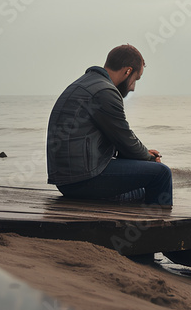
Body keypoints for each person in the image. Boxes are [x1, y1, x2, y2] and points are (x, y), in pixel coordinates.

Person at [46, 44, 171, 207]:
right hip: (83, 180)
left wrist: (144, 154)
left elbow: (120, 142)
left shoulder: (85, 84)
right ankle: (163, 229)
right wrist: (150, 158)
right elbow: (125, 140)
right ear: (127, 71)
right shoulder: (105, 92)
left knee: (142, 190)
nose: (133, 87)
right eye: (136, 79)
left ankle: (142, 225)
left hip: (68, 180)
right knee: (161, 174)